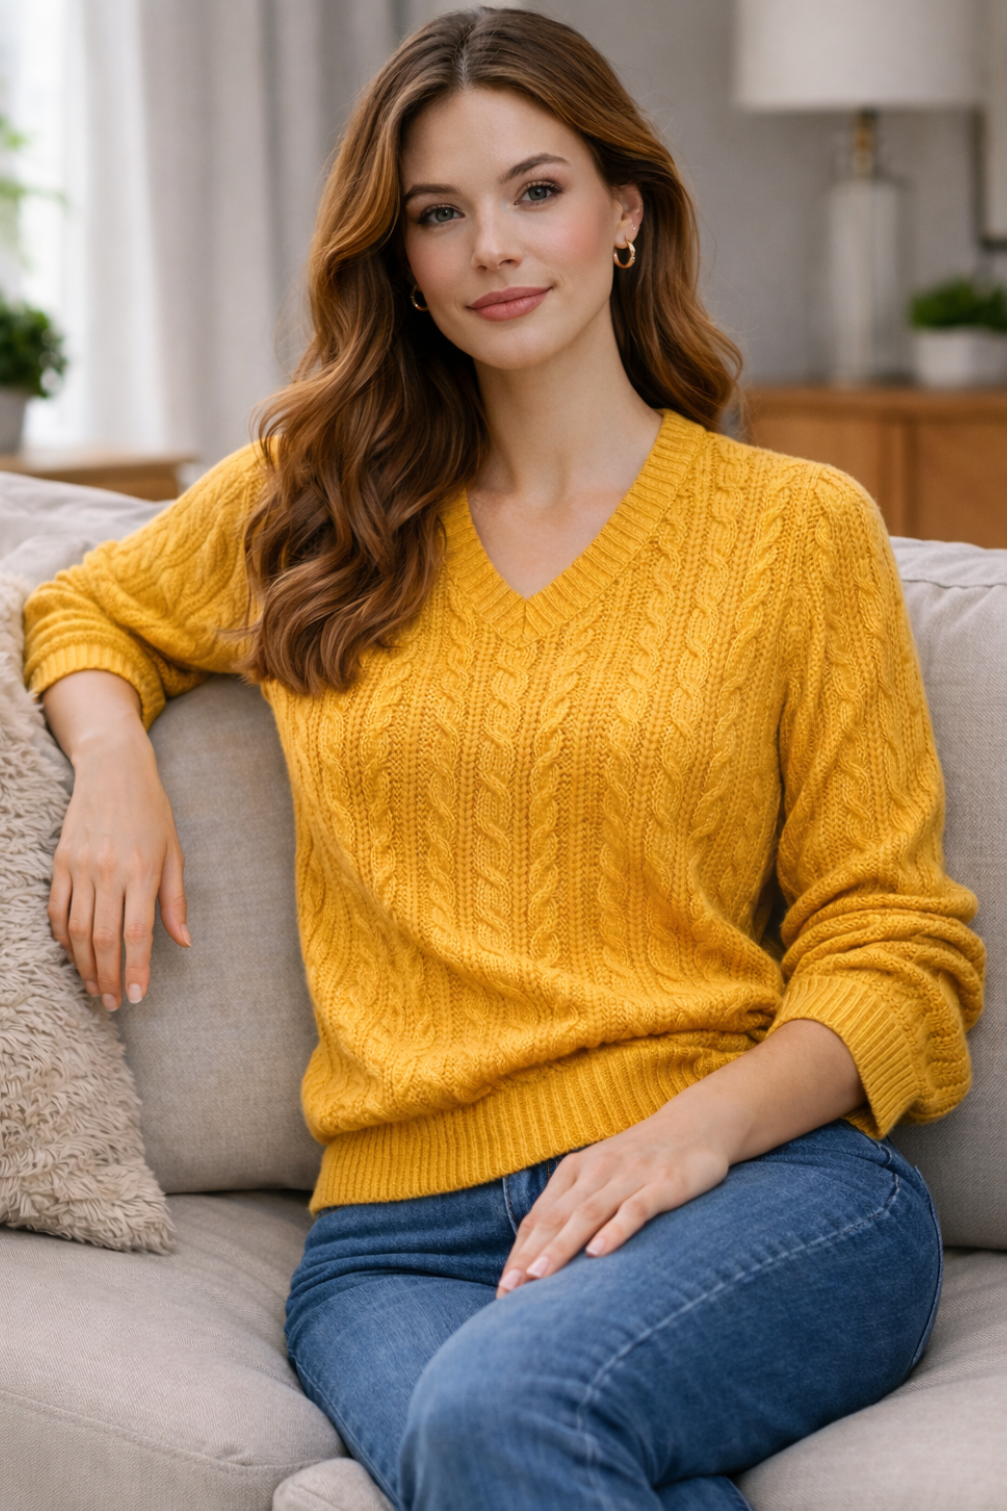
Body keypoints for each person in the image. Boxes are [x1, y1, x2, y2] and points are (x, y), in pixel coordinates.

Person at [24, 10, 984, 1510]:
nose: (491, 246)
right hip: (395, 1241)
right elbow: (87, 604)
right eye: (438, 212)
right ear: (397, 257)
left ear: (623, 212)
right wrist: (111, 762)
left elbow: (892, 941)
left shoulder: (794, 530)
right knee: (507, 1435)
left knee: (495, 1409)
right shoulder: (319, 500)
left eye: (535, 189)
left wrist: (680, 1141)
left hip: (750, 1188)